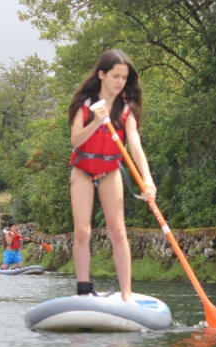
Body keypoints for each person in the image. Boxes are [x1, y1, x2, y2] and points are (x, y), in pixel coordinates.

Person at [68, 49, 156, 301]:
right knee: (83, 230)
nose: (120, 82)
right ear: (102, 75)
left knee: (117, 230)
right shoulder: (84, 105)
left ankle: (126, 294)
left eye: (124, 78)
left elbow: (136, 147)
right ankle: (83, 290)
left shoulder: (126, 110)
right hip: (83, 168)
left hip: (109, 169)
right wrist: (96, 122)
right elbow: (76, 140)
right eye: (115, 76)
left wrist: (147, 180)